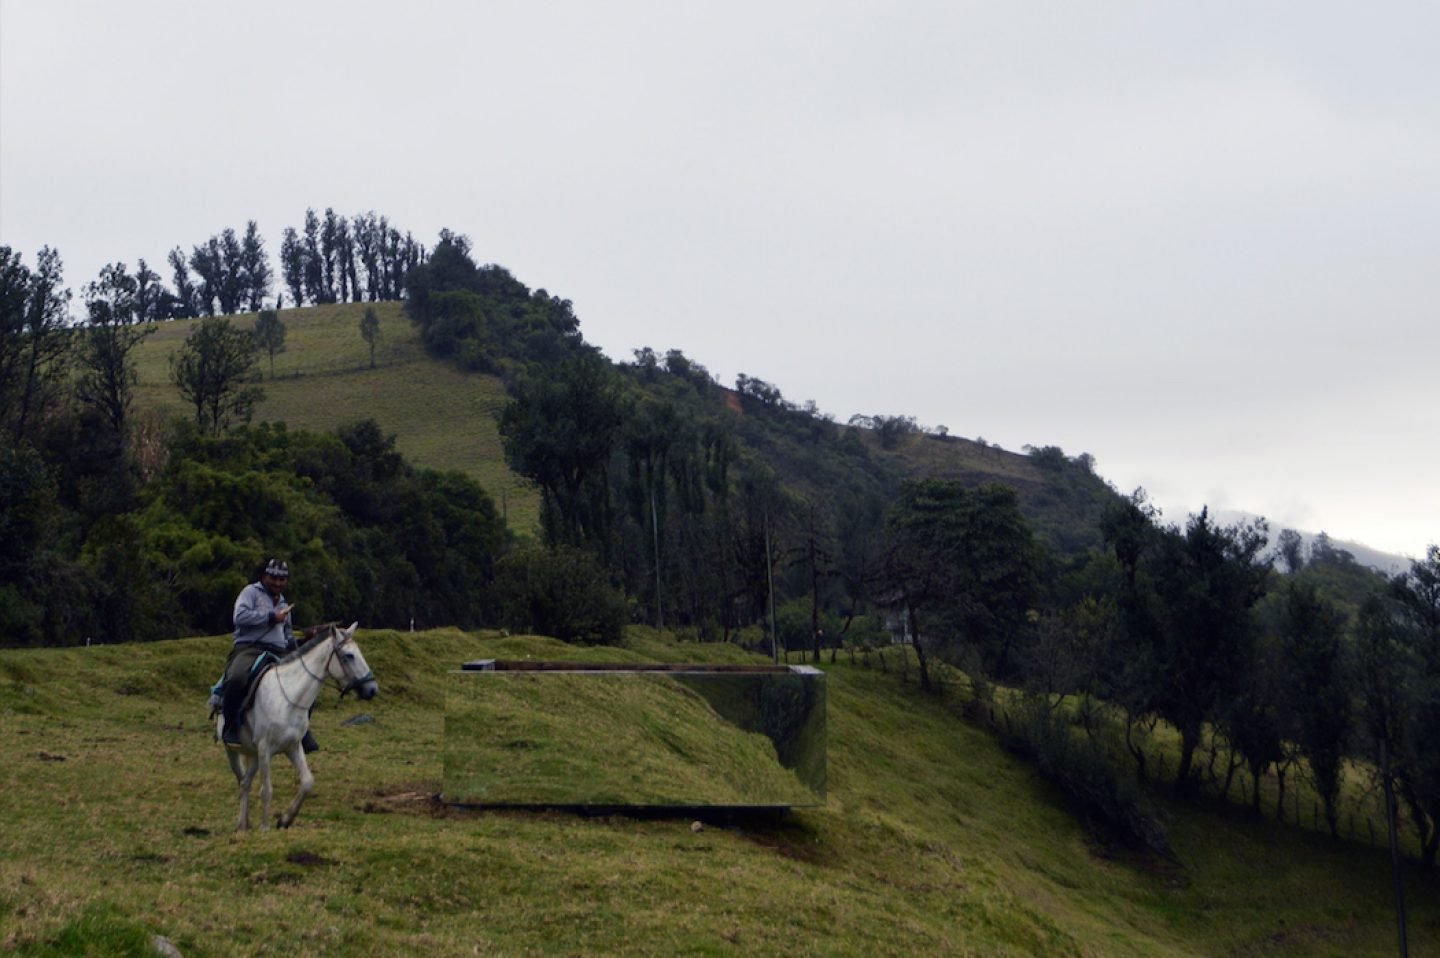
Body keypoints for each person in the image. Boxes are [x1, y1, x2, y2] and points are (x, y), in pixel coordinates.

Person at [219, 558, 315, 750]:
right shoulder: (250, 593)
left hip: (278, 650)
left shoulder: (284, 603)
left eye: (282, 580)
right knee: (237, 678)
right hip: (250, 648)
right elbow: (239, 616)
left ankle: (302, 731)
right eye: (273, 578)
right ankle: (231, 726)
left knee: (308, 683)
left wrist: (304, 640)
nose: (278, 583)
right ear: (264, 577)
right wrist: (270, 616)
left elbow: (286, 636)